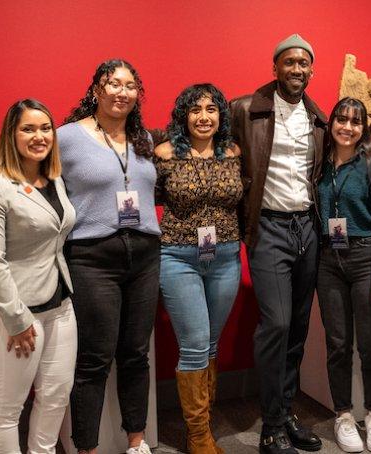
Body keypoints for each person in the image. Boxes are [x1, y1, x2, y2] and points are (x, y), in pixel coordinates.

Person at [230, 33, 327, 454]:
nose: (297, 70)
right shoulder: (244, 109)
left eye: (304, 64)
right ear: (275, 67)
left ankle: (286, 412)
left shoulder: (318, 117)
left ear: (311, 70)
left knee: (299, 328)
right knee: (277, 324)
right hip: (268, 228)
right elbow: (206, 141)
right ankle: (270, 426)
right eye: (289, 62)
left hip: (307, 227)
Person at [59, 59, 159, 454]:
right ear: (96, 89)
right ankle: (87, 448)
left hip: (146, 255)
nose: (122, 91)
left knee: (136, 353)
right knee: (94, 359)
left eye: (130, 85)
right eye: (112, 83)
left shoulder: (144, 140)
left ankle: (137, 441)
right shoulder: (66, 137)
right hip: (92, 257)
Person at [0, 99, 76, 453]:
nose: (39, 136)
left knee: (56, 398)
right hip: (14, 314)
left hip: (60, 306)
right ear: (11, 135)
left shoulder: (54, 179)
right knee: (6, 409)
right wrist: (16, 319)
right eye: (28, 129)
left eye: (45, 128)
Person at [154, 83, 244, 453]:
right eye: (195, 110)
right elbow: (150, 198)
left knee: (209, 344)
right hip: (178, 258)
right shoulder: (164, 154)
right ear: (183, 116)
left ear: (221, 115)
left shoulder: (233, 152)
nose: (203, 117)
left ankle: (204, 423)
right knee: (193, 346)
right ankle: (198, 436)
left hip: (225, 257)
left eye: (211, 109)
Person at [315, 98, 371, 453]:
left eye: (355, 122)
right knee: (337, 344)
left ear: (363, 128)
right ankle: (344, 415)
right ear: (331, 123)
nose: (347, 127)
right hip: (328, 260)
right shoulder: (319, 165)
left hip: (364, 257)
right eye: (341, 120)